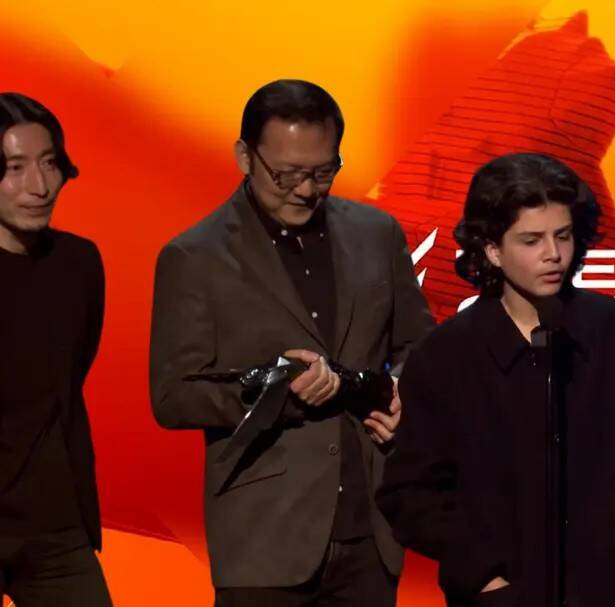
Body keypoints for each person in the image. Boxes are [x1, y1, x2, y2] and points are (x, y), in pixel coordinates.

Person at [377, 152, 615, 607]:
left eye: (563, 235)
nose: (553, 254)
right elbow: (409, 494)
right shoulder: (446, 356)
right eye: (531, 240)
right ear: (493, 250)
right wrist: (484, 575)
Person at [149, 79, 434, 606]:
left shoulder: (377, 232)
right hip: (264, 541)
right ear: (245, 156)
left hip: (371, 535)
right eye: (287, 174)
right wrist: (277, 388)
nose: (305, 189)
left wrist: (402, 395)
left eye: (323, 172)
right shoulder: (195, 257)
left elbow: (420, 347)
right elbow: (173, 396)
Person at [0, 92, 112, 606]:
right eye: (15, 168)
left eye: (49, 164)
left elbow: (69, 377)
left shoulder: (78, 263)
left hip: (54, 522)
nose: (39, 186)